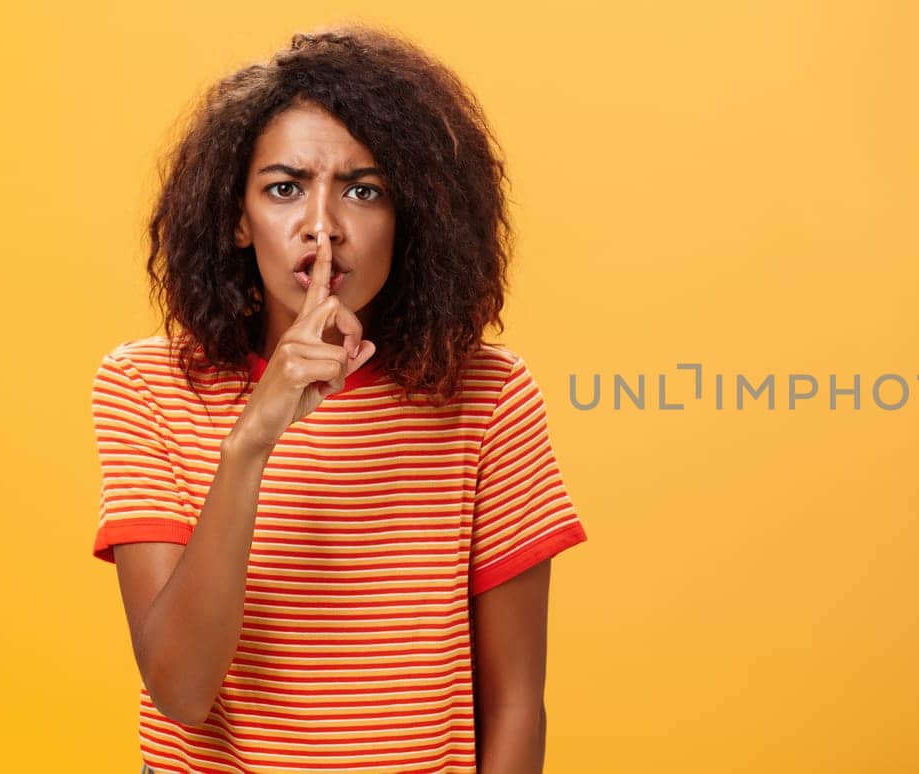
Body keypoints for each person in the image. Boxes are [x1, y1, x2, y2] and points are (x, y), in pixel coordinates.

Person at [90, 24, 589, 773]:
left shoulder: (488, 395)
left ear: (410, 217)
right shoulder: (145, 386)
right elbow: (182, 691)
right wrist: (253, 436)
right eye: (284, 188)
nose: (322, 228)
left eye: (364, 190)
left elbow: (515, 704)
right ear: (235, 216)